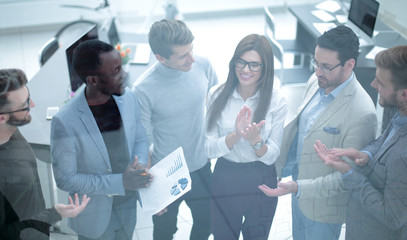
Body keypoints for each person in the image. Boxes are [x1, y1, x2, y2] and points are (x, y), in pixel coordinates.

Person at [258, 25, 378, 240]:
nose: (317, 71)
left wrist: (299, 187)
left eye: (325, 66)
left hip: (324, 210)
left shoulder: (363, 113)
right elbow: (300, 133)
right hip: (297, 193)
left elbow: (347, 177)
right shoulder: (315, 81)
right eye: (316, 63)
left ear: (349, 65)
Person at [51, 40, 153, 240]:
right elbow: (65, 179)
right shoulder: (65, 121)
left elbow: (140, 138)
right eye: (115, 71)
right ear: (93, 80)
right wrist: (120, 182)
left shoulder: (129, 98)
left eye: (121, 67)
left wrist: (139, 164)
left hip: (128, 204)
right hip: (94, 217)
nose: (124, 75)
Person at [133, 19, 218, 240]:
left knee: (207, 222)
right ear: (160, 57)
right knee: (164, 231)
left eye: (192, 50)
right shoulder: (143, 89)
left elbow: (219, 103)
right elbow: (141, 142)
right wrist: (150, 191)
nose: (192, 59)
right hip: (165, 172)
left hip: (201, 165)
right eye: (183, 56)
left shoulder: (203, 64)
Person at [314, 45, 407, 239]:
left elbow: (391, 217)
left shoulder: (403, 156)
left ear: (404, 94)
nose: (373, 84)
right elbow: (386, 137)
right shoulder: (399, 111)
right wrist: (366, 154)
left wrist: (349, 173)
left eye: (381, 83)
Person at [205, 34, 287, 240]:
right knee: (223, 236)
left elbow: (273, 155)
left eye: (254, 65)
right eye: (241, 62)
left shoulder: (276, 100)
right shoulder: (216, 94)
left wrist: (255, 141)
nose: (246, 70)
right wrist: (235, 135)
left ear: (265, 68)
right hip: (226, 175)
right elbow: (207, 148)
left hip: (262, 177)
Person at [0, 68, 90, 240]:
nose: (32, 105)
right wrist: (53, 214)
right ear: (2, 118)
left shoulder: (10, 131)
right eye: (24, 104)